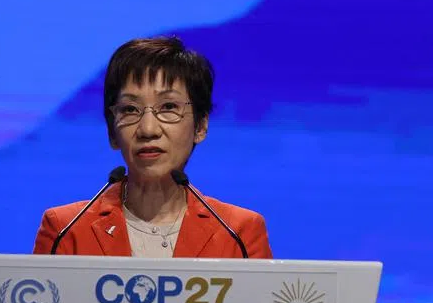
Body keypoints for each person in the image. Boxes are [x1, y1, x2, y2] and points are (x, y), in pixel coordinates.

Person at [33, 36, 272, 258]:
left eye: (168, 107)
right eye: (129, 109)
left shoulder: (238, 232)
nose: (148, 129)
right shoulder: (66, 229)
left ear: (200, 125)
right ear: (112, 131)